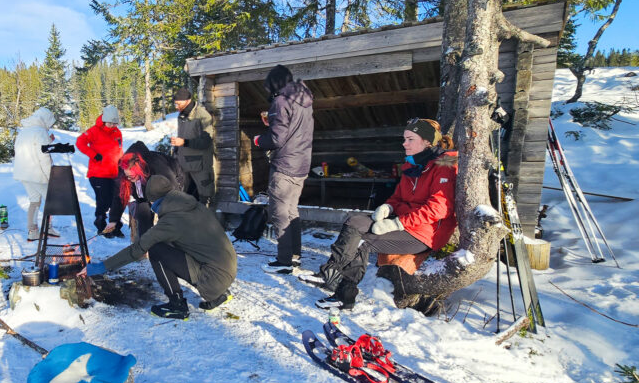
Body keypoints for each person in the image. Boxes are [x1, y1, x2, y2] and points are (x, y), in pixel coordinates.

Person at [298, 119, 458, 310]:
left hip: (426, 233)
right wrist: (388, 207)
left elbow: (438, 209)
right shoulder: (412, 166)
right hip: (406, 223)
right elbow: (398, 197)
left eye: (410, 139)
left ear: (427, 142)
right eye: (404, 139)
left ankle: (344, 295)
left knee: (363, 241)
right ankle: (330, 272)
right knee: (355, 221)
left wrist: (396, 223)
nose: (404, 144)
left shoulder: (445, 165)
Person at [82, 175, 237, 320]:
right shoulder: (192, 205)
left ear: (153, 201)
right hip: (226, 269)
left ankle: (177, 305)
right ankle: (219, 295)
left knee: (156, 249)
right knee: (168, 244)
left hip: (212, 278)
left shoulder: (171, 220)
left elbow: (137, 250)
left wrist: (99, 268)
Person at [252, 65, 314, 275]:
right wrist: (271, 121)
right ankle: (294, 255)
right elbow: (292, 130)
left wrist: (259, 140)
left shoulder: (280, 101)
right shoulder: (303, 101)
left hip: (285, 165)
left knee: (279, 213)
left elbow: (277, 139)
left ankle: (284, 261)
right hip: (301, 163)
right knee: (292, 210)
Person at [108, 141, 186, 241]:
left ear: (139, 170)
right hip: (144, 193)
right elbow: (119, 197)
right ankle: (145, 245)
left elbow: (173, 189)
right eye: (127, 176)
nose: (129, 179)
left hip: (172, 183)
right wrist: (113, 220)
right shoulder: (124, 169)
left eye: (131, 176)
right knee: (142, 213)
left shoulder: (156, 166)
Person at [75, 105, 123, 236]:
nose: (112, 125)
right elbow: (80, 142)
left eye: (114, 123)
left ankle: (115, 226)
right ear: (104, 120)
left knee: (116, 200)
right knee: (104, 201)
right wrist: (94, 155)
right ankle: (102, 226)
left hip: (114, 173)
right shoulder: (94, 131)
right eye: (109, 123)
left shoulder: (117, 132)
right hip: (98, 174)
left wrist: (122, 164)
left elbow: (119, 150)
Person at [13, 107, 57, 241]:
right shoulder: (40, 132)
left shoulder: (24, 131)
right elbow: (44, 157)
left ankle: (32, 231)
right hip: (38, 174)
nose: (50, 126)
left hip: (24, 174)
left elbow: (28, 149)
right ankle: (47, 227)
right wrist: (51, 176)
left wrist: (48, 141)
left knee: (34, 201)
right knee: (52, 202)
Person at [170, 88, 215, 205]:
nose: (176, 107)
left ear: (187, 101)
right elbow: (183, 136)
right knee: (188, 200)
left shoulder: (202, 115)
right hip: (185, 167)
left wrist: (184, 142)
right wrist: (177, 147)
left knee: (205, 199)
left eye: (178, 104)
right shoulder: (181, 116)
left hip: (200, 167)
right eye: (175, 103)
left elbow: (206, 141)